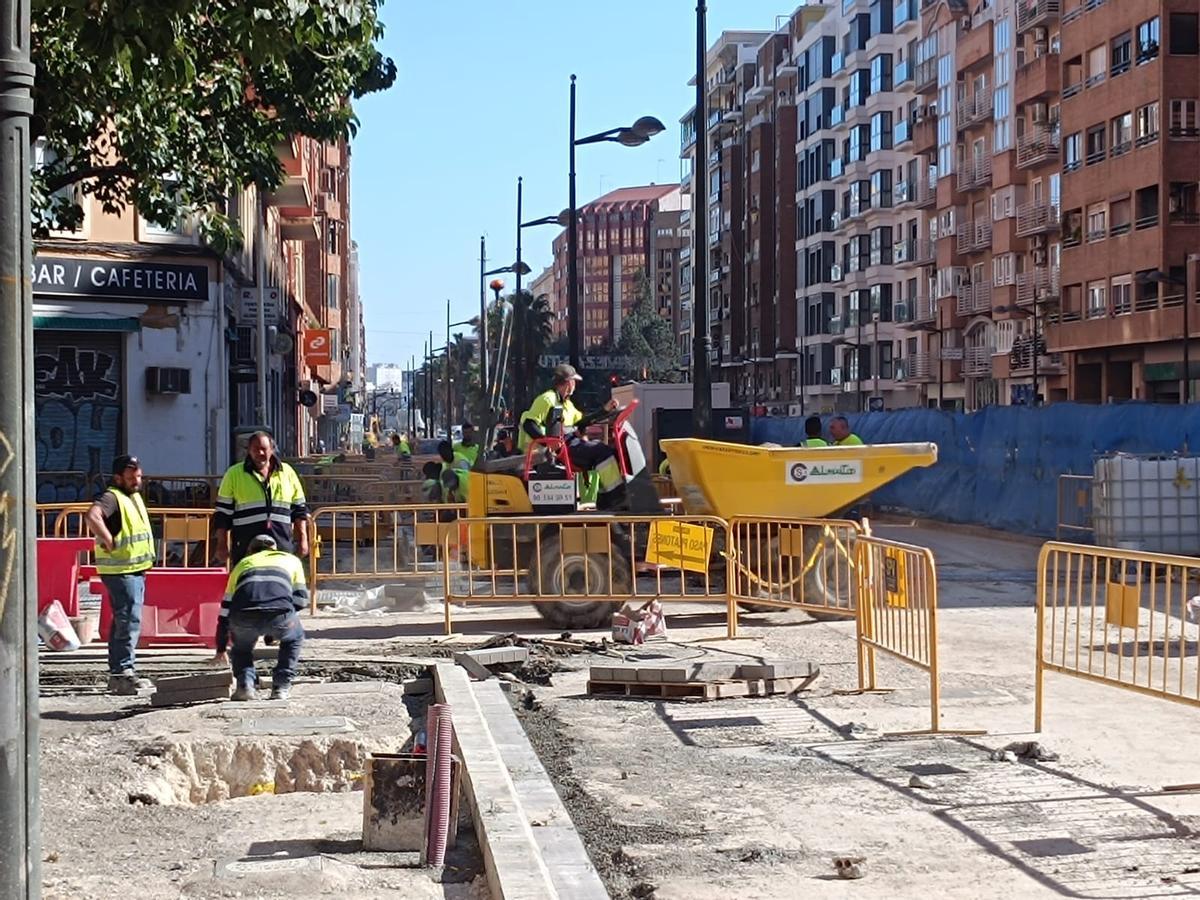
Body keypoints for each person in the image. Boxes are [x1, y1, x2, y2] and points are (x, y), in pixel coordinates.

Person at [85, 454, 156, 695]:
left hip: (133, 569)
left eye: (138, 476)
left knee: (123, 620)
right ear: (117, 478)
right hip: (120, 570)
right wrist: (107, 539)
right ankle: (123, 671)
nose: (137, 481)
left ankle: (119, 673)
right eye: (131, 477)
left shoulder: (130, 496)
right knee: (128, 620)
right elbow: (93, 516)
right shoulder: (111, 497)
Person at [213, 535, 308, 701]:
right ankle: (281, 686)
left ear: (251, 550)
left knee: (241, 648)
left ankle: (245, 685)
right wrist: (277, 627)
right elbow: (301, 600)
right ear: (275, 549)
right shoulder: (292, 560)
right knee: (294, 638)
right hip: (280, 615)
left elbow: (225, 609)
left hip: (243, 615)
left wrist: (221, 648)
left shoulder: (242, 565)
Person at [518, 364, 624, 508]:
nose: (575, 385)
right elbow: (529, 424)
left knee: (608, 452)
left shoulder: (567, 404)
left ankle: (607, 499)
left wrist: (604, 410)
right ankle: (615, 497)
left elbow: (582, 421)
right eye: (574, 382)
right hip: (559, 450)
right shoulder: (546, 399)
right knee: (602, 451)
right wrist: (548, 443)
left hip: (568, 444)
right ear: (569, 383)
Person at [214, 432, 309, 567]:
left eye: (263, 449)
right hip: (246, 546)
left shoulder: (287, 472)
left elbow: (299, 510)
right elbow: (222, 514)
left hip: (281, 544)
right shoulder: (234, 474)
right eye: (255, 449)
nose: (260, 453)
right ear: (248, 451)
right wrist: (222, 544)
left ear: (272, 449)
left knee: (281, 584)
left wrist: (303, 540)